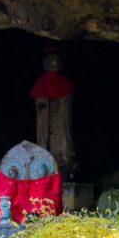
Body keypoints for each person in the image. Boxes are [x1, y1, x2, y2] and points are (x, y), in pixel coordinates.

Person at [30, 48, 76, 179]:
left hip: (60, 122)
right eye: (51, 60)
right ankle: (44, 156)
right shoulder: (41, 83)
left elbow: (67, 107)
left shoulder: (65, 83)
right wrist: (44, 106)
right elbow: (40, 108)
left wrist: (60, 103)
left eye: (56, 60)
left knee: (63, 132)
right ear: (45, 64)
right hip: (47, 122)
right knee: (44, 131)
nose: (54, 62)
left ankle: (64, 158)